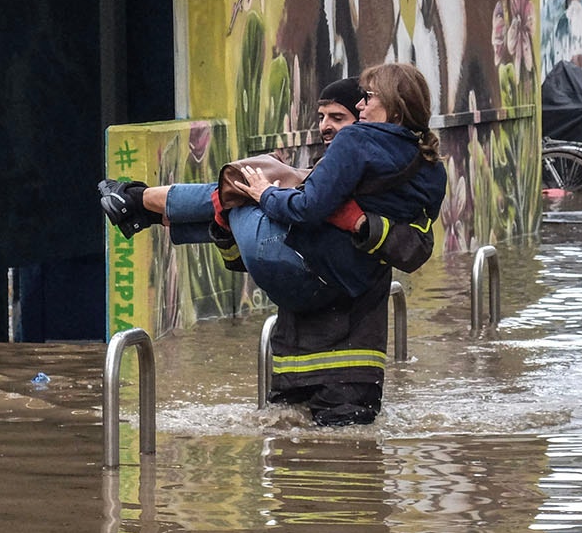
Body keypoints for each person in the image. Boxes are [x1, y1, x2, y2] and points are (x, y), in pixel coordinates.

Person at [99, 62, 446, 423]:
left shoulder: (356, 143)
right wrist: (366, 226)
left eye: (362, 102)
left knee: (235, 194)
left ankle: (141, 205)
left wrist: (267, 195)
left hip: (297, 272)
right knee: (339, 463)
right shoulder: (430, 169)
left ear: (393, 104)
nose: (359, 108)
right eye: (325, 116)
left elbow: (308, 209)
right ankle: (143, 208)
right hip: (339, 329)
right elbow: (417, 246)